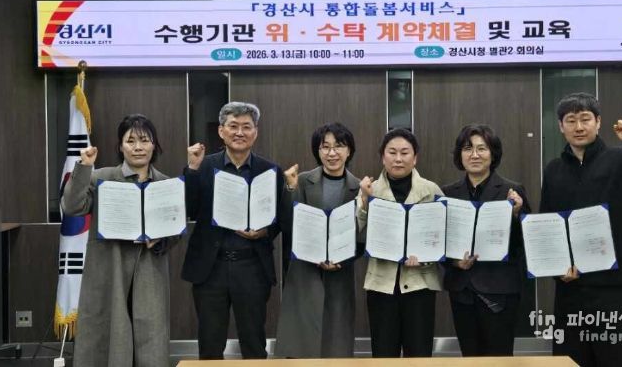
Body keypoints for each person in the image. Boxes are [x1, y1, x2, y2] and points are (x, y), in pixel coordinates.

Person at [541, 92, 622, 367]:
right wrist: (557, 267)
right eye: (570, 120)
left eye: (585, 119)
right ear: (560, 126)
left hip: (615, 288)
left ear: (598, 122)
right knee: (570, 360)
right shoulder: (553, 170)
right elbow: (548, 225)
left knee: (618, 359)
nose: (579, 127)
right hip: (571, 288)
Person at [62, 114, 173, 367]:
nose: (138, 147)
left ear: (154, 145)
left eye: (144, 140)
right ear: (120, 146)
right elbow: (72, 207)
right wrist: (84, 166)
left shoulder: (166, 184)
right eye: (130, 141)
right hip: (108, 271)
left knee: (151, 343)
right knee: (107, 342)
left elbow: (174, 231)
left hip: (149, 273)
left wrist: (161, 239)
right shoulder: (100, 177)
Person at [181, 101, 290, 360]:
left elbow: (281, 219)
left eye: (246, 127)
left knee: (254, 343)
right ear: (221, 131)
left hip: (252, 267)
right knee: (210, 344)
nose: (239, 132)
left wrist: (264, 232)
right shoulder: (202, 166)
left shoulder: (270, 171)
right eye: (233, 126)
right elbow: (188, 209)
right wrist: (192, 170)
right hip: (211, 268)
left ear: (255, 132)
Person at [441, 124, 530, 356]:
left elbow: (527, 243)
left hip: (500, 291)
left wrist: (517, 214)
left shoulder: (512, 191)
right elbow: (438, 241)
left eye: (482, 148)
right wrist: (454, 262)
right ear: (460, 155)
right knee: (470, 357)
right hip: (462, 290)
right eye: (467, 148)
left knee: (499, 358)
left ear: (493, 154)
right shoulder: (448, 193)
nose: (475, 155)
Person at [274, 122, 360, 358]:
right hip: (305, 272)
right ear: (317, 151)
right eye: (325, 147)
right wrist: (290, 189)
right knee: (301, 346)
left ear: (349, 151)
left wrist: (343, 259)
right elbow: (288, 225)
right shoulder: (301, 181)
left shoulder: (359, 187)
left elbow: (362, 237)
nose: (332, 153)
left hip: (340, 274)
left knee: (336, 344)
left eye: (338, 146)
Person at [356, 128, 443, 358]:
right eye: (392, 152)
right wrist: (364, 200)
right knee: (384, 354)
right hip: (381, 285)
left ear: (415, 158)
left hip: (420, 285)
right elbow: (355, 233)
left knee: (419, 353)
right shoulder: (370, 189)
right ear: (382, 157)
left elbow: (442, 238)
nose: (398, 158)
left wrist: (426, 259)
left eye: (405, 153)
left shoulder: (431, 190)